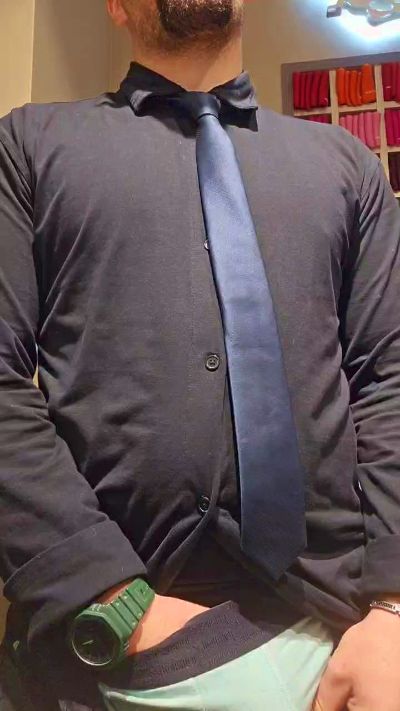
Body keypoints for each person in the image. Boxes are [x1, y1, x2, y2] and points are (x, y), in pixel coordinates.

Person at [0, 0, 400, 709]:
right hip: (102, 650)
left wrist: (394, 607)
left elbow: (390, 379)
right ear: (116, 6)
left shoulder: (347, 165)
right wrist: (115, 602)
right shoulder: (27, 146)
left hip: (344, 643)